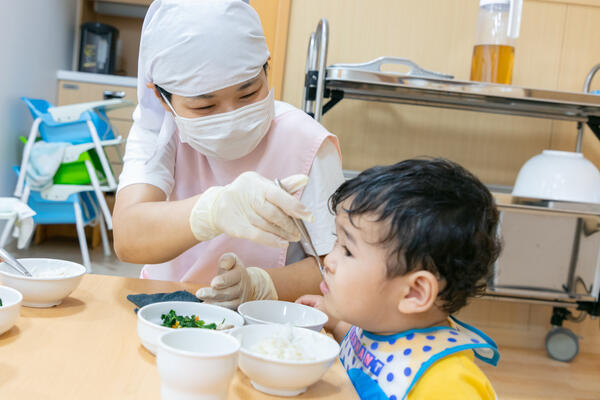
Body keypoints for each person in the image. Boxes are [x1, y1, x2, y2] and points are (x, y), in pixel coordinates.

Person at [112, 0, 344, 308]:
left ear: (266, 68)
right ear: (161, 96)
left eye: (248, 93)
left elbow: (337, 267)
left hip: (266, 323)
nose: (232, 116)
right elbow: (129, 237)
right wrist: (212, 210)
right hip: (165, 311)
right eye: (204, 107)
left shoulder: (307, 141)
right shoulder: (159, 132)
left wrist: (260, 285)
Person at [297, 159, 502, 400]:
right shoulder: (381, 323)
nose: (328, 261)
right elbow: (363, 347)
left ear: (414, 293)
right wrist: (333, 319)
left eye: (348, 250)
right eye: (336, 241)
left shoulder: (445, 384)